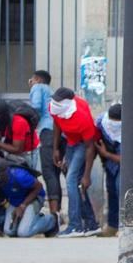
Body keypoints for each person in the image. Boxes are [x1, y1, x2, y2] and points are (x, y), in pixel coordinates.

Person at [50, 87, 101, 238]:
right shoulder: (55, 106)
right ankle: (91, 224)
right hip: (70, 142)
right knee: (76, 184)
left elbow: (90, 147)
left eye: (58, 101)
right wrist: (56, 149)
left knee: (72, 180)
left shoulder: (81, 116)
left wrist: (87, 175)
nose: (55, 103)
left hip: (83, 145)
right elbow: (57, 124)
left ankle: (75, 226)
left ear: (67, 102)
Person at [0, 156, 58, 237]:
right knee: (9, 231)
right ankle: (27, 220)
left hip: (32, 199)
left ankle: (51, 220)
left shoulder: (19, 176)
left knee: (23, 232)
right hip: (14, 201)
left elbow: (38, 187)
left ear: (3, 173)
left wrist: (23, 206)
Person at [29, 70, 63, 214]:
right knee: (55, 172)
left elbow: (36, 107)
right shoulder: (51, 92)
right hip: (59, 133)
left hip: (47, 132)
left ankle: (54, 213)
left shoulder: (37, 87)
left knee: (48, 172)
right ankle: (58, 210)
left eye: (32, 79)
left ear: (37, 79)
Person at [0, 100, 40, 168]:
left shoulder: (19, 122)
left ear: (4, 116)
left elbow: (17, 149)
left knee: (24, 176)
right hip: (9, 147)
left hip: (26, 152)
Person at [95, 103, 122, 237]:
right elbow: (95, 139)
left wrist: (107, 154)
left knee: (121, 190)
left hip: (123, 164)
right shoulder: (101, 122)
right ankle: (112, 225)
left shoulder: (132, 128)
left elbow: (128, 159)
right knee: (111, 190)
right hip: (109, 163)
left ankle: (125, 226)